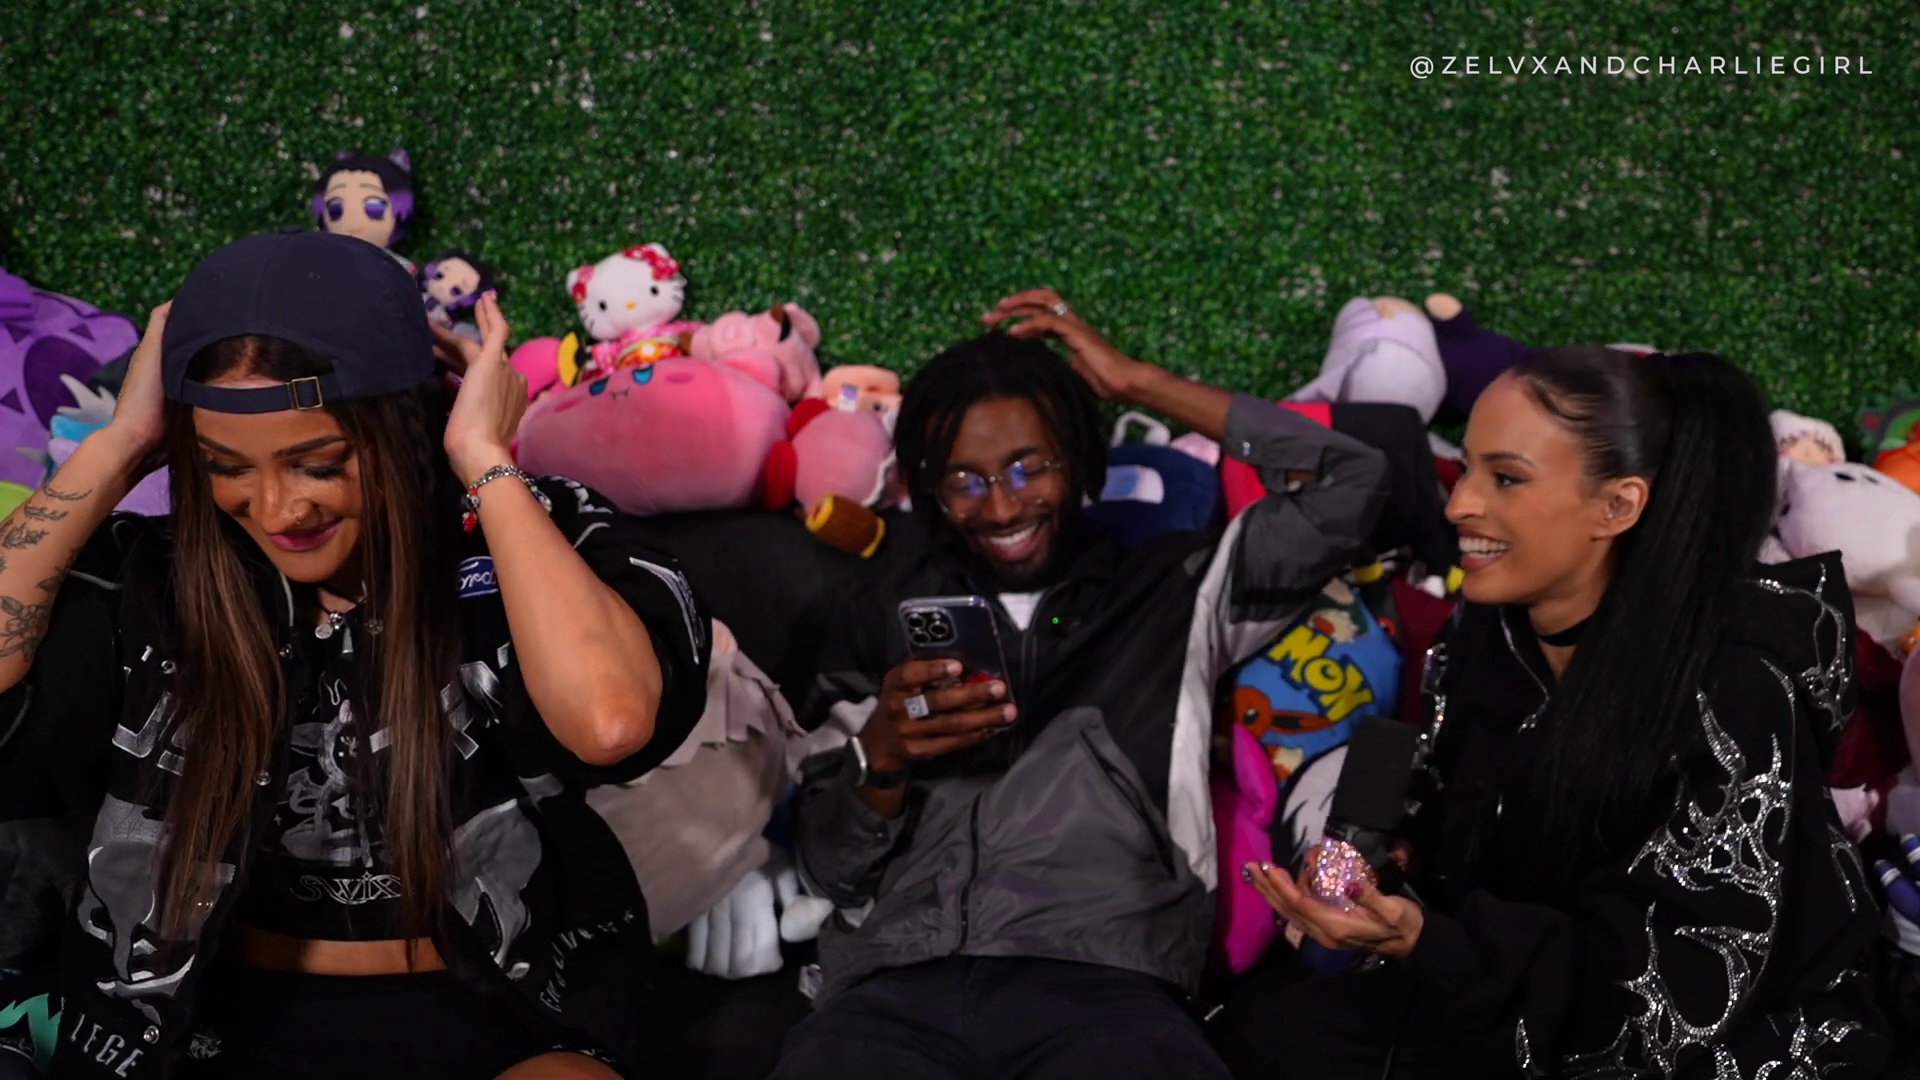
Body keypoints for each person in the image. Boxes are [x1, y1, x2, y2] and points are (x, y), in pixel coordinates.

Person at [0, 231, 710, 1079]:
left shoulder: (533, 536)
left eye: (319, 464)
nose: (277, 509)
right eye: (227, 467)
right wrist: (118, 444)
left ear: (402, 428)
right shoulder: (155, 581)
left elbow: (611, 722)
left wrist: (484, 460)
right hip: (205, 1025)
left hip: (494, 1015)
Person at [770, 288, 1391, 1079]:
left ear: (1080, 458)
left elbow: (1354, 480)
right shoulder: (882, 618)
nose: (1002, 506)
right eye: (964, 479)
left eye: (1029, 467)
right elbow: (827, 869)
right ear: (930, 489)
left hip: (1107, 979)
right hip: (892, 985)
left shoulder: (1179, 588)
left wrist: (1137, 382)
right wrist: (881, 757)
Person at [1237, 346, 1890, 1077]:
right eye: (1467, 468)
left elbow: (1674, 1006)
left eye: (1506, 477)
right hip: (1502, 1000)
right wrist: (1384, 870)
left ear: (1618, 505)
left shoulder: (1738, 691)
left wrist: (1432, 942)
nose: (1458, 504)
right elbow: (1456, 813)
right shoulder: (1486, 631)